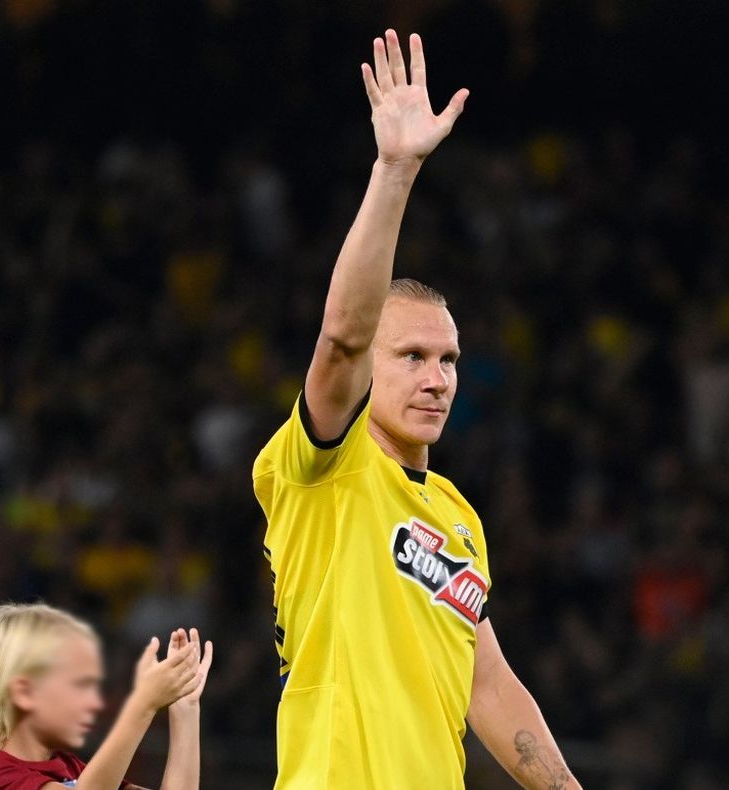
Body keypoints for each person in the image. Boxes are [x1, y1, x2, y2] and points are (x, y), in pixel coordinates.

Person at [252, 29, 580, 789]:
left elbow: (487, 684)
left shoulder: (457, 516)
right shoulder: (322, 469)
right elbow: (342, 337)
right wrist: (395, 171)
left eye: (448, 360)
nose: (437, 379)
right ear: (368, 370)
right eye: (411, 357)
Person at [0, 603, 214, 789]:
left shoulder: (72, 768)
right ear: (24, 693)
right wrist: (142, 704)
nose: (93, 703)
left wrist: (185, 709)